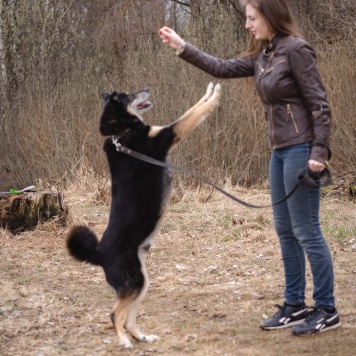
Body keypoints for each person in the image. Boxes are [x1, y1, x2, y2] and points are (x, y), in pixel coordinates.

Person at [158, 0, 340, 336]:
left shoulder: (296, 50)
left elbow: (319, 104)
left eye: (252, 18)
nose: (247, 25)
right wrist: (183, 47)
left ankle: (327, 308)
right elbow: (222, 68)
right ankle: (295, 304)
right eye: (247, 18)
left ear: (270, 17)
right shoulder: (264, 55)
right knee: (285, 231)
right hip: (280, 152)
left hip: (302, 151)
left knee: (307, 231)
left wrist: (319, 151)